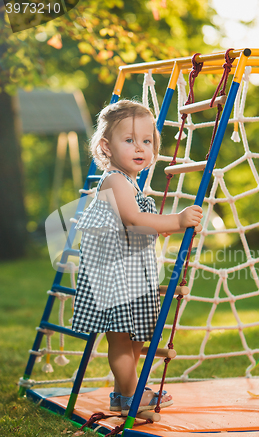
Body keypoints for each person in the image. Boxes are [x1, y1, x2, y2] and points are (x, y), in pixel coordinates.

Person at [72, 99, 203, 416]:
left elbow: (131, 228)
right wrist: (176, 220)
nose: (140, 148)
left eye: (147, 141)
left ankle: (123, 395)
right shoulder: (116, 180)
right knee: (120, 342)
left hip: (130, 278)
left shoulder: (128, 182)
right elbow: (132, 219)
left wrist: (158, 229)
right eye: (129, 140)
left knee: (132, 342)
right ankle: (132, 395)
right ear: (106, 146)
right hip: (117, 282)